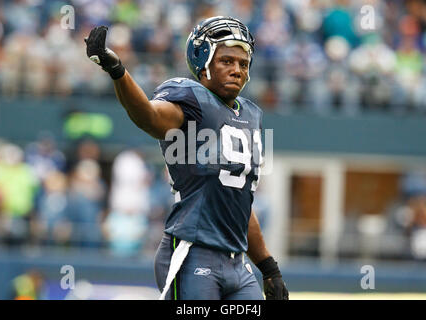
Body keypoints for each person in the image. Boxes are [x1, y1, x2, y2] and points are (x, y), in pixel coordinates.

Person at [84, 16, 289, 300]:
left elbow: (240, 201)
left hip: (237, 263)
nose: (237, 70)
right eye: (226, 61)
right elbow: (150, 116)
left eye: (243, 64)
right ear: (203, 62)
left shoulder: (251, 115)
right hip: (193, 252)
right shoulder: (191, 99)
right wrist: (117, 69)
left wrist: (268, 267)